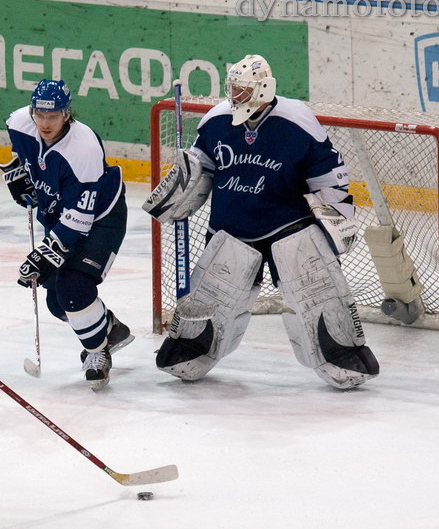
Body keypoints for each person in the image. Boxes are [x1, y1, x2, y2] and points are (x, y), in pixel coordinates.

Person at [143, 55, 379, 390]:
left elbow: (329, 177)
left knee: (318, 291)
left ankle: (341, 352)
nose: (235, 95)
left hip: (289, 225)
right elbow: (201, 167)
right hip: (232, 226)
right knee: (211, 297)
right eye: (233, 88)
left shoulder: (297, 120)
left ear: (264, 88)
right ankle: (192, 346)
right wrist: (182, 189)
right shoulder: (217, 120)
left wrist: (335, 225)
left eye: (243, 89)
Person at [0, 79, 134, 391]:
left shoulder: (83, 148)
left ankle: (98, 352)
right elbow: (22, 154)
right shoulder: (19, 122)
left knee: (74, 289)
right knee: (58, 304)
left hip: (102, 218)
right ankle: (109, 329)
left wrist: (43, 256)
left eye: (53, 116)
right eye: (40, 115)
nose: (45, 123)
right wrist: (19, 173)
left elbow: (79, 221)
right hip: (58, 213)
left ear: (67, 114)